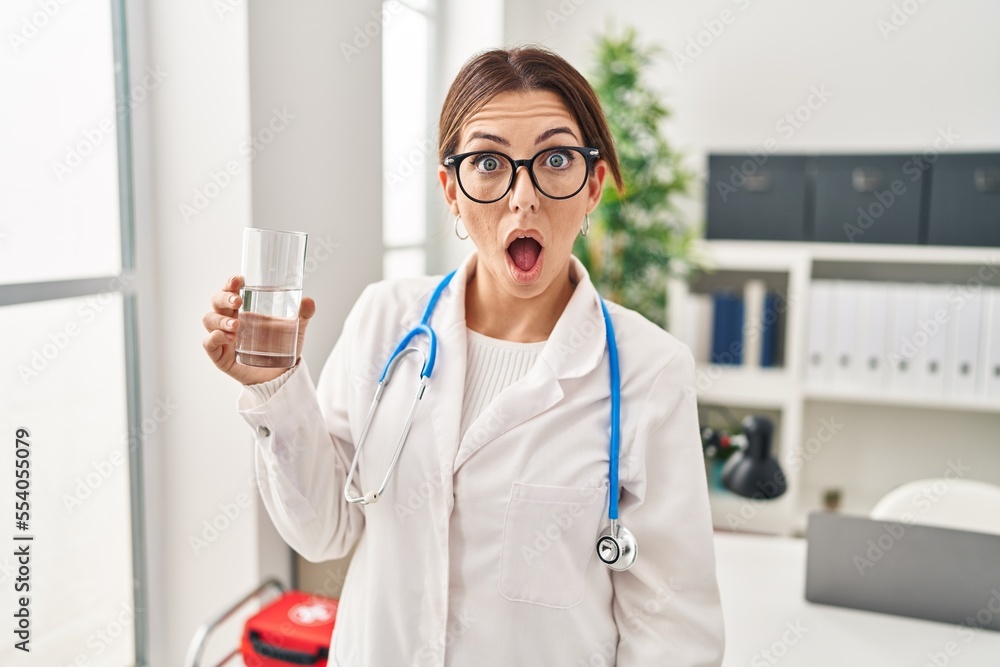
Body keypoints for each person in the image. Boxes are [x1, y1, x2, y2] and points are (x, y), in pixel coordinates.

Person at [203, 45, 724, 666]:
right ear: (451, 189)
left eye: (555, 159)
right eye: (487, 162)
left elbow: (672, 627)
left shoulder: (649, 371)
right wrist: (276, 387)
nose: (522, 197)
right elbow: (323, 532)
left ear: (594, 187)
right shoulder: (385, 320)